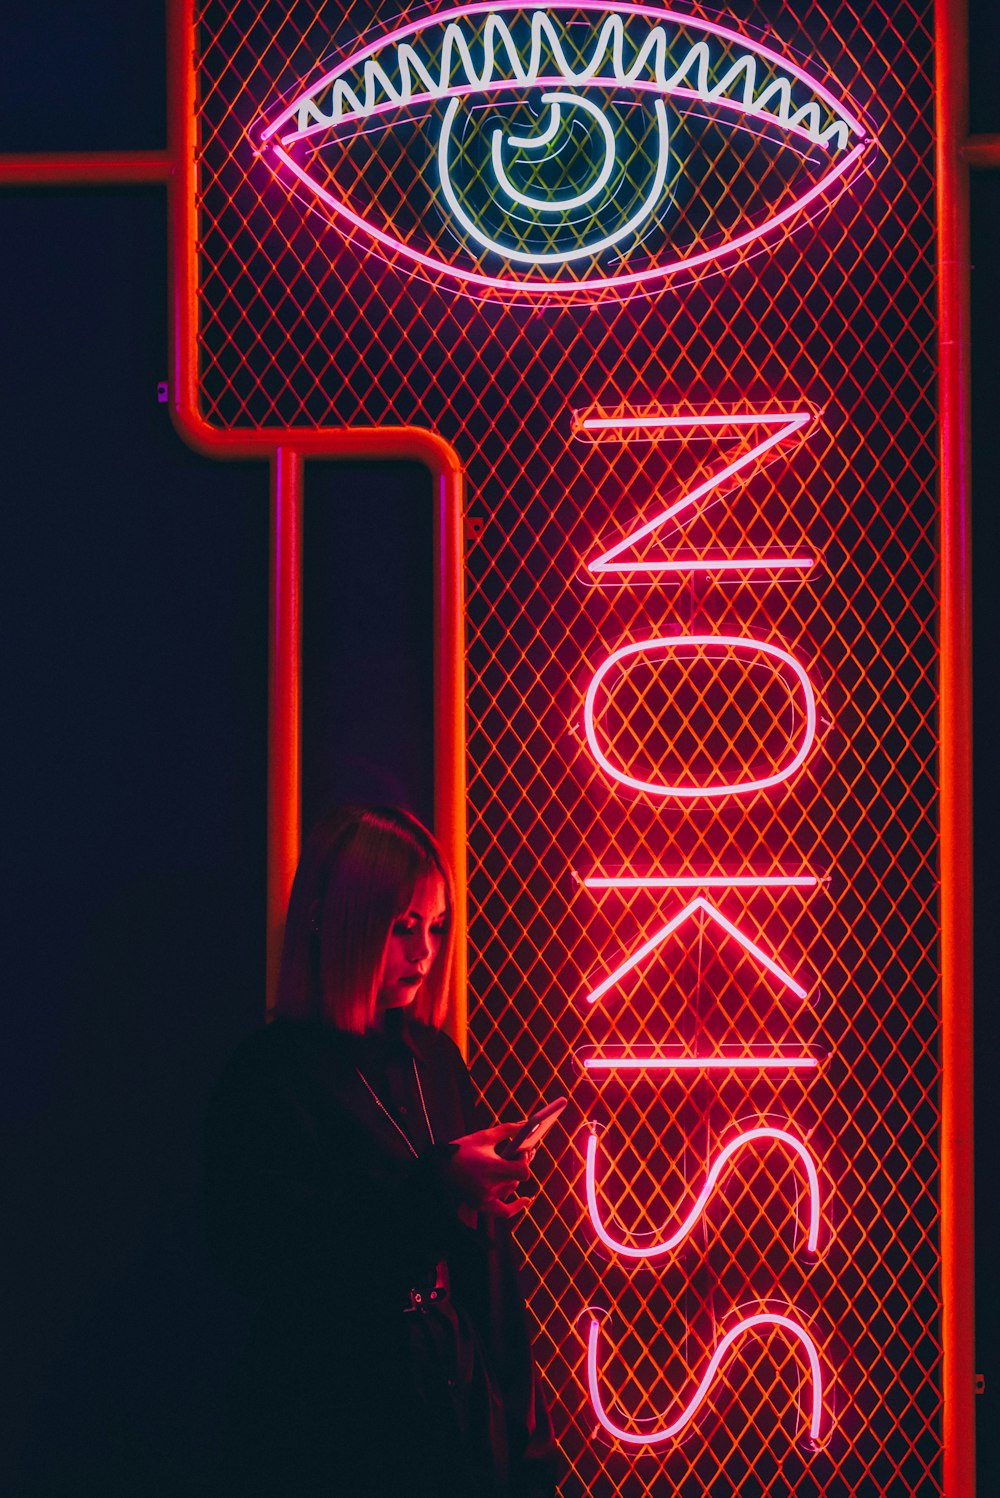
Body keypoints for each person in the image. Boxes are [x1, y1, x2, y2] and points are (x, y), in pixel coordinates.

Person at [204, 805, 557, 1497]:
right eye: (403, 928)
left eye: (436, 928)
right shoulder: (273, 1075)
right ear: (341, 923)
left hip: (449, 1398)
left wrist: (526, 1439)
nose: (425, 952)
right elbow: (264, 1258)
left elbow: (487, 1275)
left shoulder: (431, 1059)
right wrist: (439, 1190)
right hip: (329, 1418)